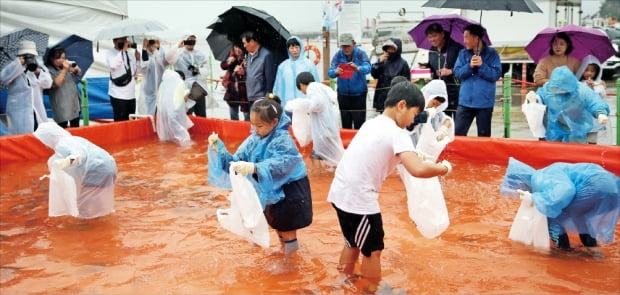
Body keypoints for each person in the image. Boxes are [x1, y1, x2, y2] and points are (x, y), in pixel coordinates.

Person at [327, 81, 453, 293]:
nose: (413, 121)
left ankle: (342, 282)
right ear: (402, 105)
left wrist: (415, 153)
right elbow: (418, 170)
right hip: (360, 200)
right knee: (373, 251)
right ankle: (370, 289)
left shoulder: (372, 123)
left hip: (340, 193)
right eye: (414, 114)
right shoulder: (398, 133)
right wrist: (444, 168)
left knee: (352, 243)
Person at [207, 95, 312, 257]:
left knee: (288, 228)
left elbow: (283, 163)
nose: (255, 129)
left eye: (260, 126)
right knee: (278, 224)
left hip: (290, 190)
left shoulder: (283, 140)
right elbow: (236, 163)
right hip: (270, 190)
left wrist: (255, 167)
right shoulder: (254, 139)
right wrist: (219, 149)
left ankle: (290, 262)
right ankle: (285, 251)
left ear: (275, 122)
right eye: (253, 125)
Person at [501, 157, 619, 252]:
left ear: (521, 183)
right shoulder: (551, 171)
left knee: (554, 214)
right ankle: (594, 251)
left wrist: (538, 199)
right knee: (579, 217)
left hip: (594, 185)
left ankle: (564, 252)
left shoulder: (539, 177)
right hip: (613, 188)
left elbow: (565, 191)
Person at [34, 122, 117, 219]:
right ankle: (103, 222)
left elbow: (78, 156)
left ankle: (87, 229)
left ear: (48, 139)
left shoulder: (62, 144)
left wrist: (65, 162)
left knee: (83, 206)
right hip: (110, 166)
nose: (45, 145)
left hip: (96, 170)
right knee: (96, 200)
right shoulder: (75, 139)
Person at [526, 66, 610, 143]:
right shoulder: (548, 89)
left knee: (576, 152)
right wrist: (534, 99)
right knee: (554, 152)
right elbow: (540, 100)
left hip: (577, 125)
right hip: (554, 126)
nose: (561, 93)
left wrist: (600, 113)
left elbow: (594, 100)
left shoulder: (581, 90)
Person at [285, 71, 344, 167]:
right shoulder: (321, 88)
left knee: (317, 155)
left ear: (301, 85)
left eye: (301, 90)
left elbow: (317, 104)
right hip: (329, 126)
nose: (303, 93)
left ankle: (321, 177)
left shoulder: (312, 88)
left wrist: (296, 104)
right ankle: (327, 174)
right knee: (332, 155)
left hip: (324, 129)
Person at [453, 24, 502, 137]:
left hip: (484, 102)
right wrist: (469, 66)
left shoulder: (492, 54)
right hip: (465, 102)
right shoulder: (463, 53)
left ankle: (483, 155)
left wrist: (482, 66)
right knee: (457, 134)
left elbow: (495, 75)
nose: (464, 41)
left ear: (476, 38)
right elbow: (458, 73)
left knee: (484, 137)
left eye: (466, 37)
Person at [0, 40, 52, 134]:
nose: (29, 58)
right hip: (19, 109)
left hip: (36, 107)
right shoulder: (13, 65)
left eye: (31, 56)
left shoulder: (39, 65)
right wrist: (18, 64)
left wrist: (38, 71)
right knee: (21, 136)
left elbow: (48, 83)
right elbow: (4, 78)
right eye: (26, 55)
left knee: (39, 132)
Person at [328, 33, 371, 129]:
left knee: (359, 125)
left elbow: (368, 68)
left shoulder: (361, 54)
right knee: (345, 124)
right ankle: (347, 144)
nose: (346, 49)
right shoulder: (338, 55)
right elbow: (330, 72)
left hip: (359, 94)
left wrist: (358, 68)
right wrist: (335, 72)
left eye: (348, 46)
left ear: (354, 43)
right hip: (343, 95)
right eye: (344, 46)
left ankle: (359, 143)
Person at [421, 23, 464, 118]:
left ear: (442, 34)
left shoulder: (457, 48)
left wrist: (451, 71)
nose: (432, 39)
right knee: (441, 121)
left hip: (456, 90)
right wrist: (426, 68)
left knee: (458, 125)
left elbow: (465, 67)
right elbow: (432, 67)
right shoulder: (431, 51)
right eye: (429, 37)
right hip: (439, 93)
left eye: (435, 36)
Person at [273, 36, 320, 113]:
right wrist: (278, 102)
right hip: (287, 105)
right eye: (291, 48)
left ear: (300, 47)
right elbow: (278, 87)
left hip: (305, 105)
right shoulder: (283, 66)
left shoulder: (309, 64)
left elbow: (316, 84)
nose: (294, 50)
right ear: (288, 49)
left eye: (296, 47)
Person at [45, 46, 82, 128]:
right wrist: (64, 70)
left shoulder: (66, 65)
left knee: (75, 127)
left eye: (63, 58)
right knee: (62, 128)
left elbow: (79, 73)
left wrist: (76, 70)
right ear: (51, 58)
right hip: (61, 104)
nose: (61, 60)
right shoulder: (48, 69)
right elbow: (56, 83)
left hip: (74, 102)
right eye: (58, 58)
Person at [409, 80, 454, 147]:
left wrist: (444, 128)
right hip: (411, 147)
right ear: (427, 96)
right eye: (433, 103)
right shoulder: (414, 107)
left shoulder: (435, 112)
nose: (434, 107)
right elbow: (412, 121)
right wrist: (427, 113)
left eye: (438, 106)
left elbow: (447, 119)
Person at [172, 34, 209, 117]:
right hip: (184, 88)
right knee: (187, 115)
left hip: (198, 88)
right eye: (188, 40)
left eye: (193, 41)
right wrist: (178, 46)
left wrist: (198, 70)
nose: (190, 42)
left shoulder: (199, 54)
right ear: (184, 41)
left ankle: (201, 130)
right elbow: (169, 59)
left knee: (201, 115)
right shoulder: (179, 54)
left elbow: (206, 69)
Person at [370, 38, 410, 113]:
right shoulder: (383, 60)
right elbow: (374, 74)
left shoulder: (403, 63)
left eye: (393, 49)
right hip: (382, 97)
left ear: (398, 49)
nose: (390, 51)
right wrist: (379, 62)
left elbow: (407, 84)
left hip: (396, 98)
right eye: (389, 48)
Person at [241, 31, 278, 112]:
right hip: (250, 95)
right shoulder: (248, 56)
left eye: (245, 43)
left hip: (261, 97)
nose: (244, 46)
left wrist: (267, 97)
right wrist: (242, 73)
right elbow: (250, 75)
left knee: (261, 122)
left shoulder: (266, 55)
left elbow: (270, 78)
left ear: (252, 41)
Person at [155, 69, 193, 147]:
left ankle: (170, 141)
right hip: (175, 111)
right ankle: (185, 142)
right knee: (180, 129)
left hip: (163, 112)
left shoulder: (163, 85)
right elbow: (183, 99)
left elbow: (159, 100)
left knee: (168, 133)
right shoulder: (179, 83)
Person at [107, 36, 140, 121]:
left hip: (131, 94)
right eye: (121, 39)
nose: (125, 41)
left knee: (131, 121)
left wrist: (138, 60)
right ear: (114, 41)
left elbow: (136, 72)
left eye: (125, 39)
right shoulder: (110, 53)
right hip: (118, 94)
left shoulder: (130, 54)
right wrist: (123, 51)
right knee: (120, 122)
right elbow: (113, 65)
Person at [577, 55, 607, 144]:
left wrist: (595, 87)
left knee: (592, 140)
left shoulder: (599, 84)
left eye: (592, 71)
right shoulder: (578, 84)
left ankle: (592, 156)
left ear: (596, 72)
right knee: (580, 140)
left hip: (593, 116)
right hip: (581, 116)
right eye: (586, 70)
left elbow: (602, 97)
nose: (589, 73)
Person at [139, 38, 169, 116]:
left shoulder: (157, 55)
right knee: (148, 114)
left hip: (159, 90)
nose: (152, 48)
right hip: (148, 91)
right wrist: (144, 48)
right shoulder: (146, 56)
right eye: (150, 46)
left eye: (154, 46)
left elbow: (164, 62)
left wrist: (159, 47)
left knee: (159, 114)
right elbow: (144, 65)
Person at [220, 44, 249, 121]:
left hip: (244, 91)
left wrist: (244, 71)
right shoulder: (232, 54)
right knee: (233, 115)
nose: (237, 50)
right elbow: (223, 66)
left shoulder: (248, 58)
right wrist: (228, 62)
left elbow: (252, 74)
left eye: (239, 48)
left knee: (247, 115)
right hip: (232, 89)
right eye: (235, 47)